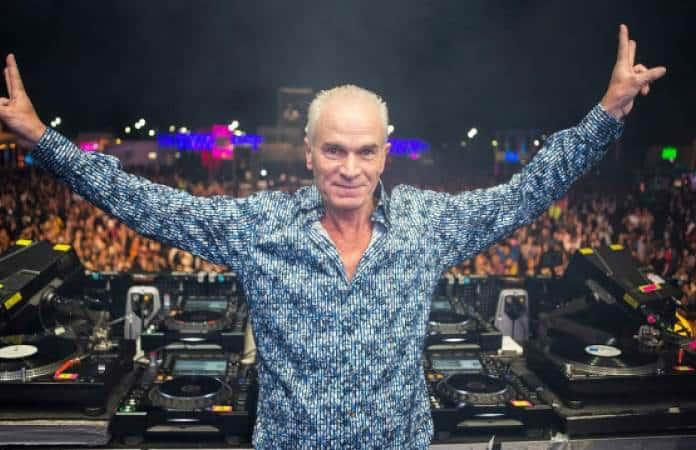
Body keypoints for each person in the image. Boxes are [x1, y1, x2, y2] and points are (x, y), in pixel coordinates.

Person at [0, 24, 665, 449]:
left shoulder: (426, 227)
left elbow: (524, 195)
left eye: (366, 150)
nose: (350, 167)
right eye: (335, 150)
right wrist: (41, 139)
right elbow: (148, 205)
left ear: (384, 156)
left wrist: (606, 115)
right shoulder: (260, 229)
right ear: (309, 154)